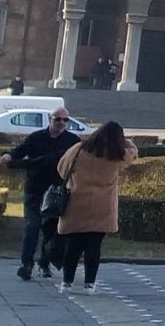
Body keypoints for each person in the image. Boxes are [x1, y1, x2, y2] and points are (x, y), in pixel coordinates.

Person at [54, 121, 139, 294]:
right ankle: (90, 284)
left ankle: (67, 282)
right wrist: (125, 141)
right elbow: (133, 153)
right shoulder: (117, 154)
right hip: (103, 206)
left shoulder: (79, 149)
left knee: (73, 245)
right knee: (94, 246)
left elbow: (62, 168)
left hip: (78, 202)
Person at [0, 108, 80, 281]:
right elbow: (20, 150)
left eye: (65, 120)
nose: (61, 123)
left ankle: (44, 263)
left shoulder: (72, 141)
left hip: (57, 189)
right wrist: (8, 156)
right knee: (32, 225)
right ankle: (26, 264)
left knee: (50, 228)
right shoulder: (36, 137)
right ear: (50, 119)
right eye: (58, 119)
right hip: (35, 188)